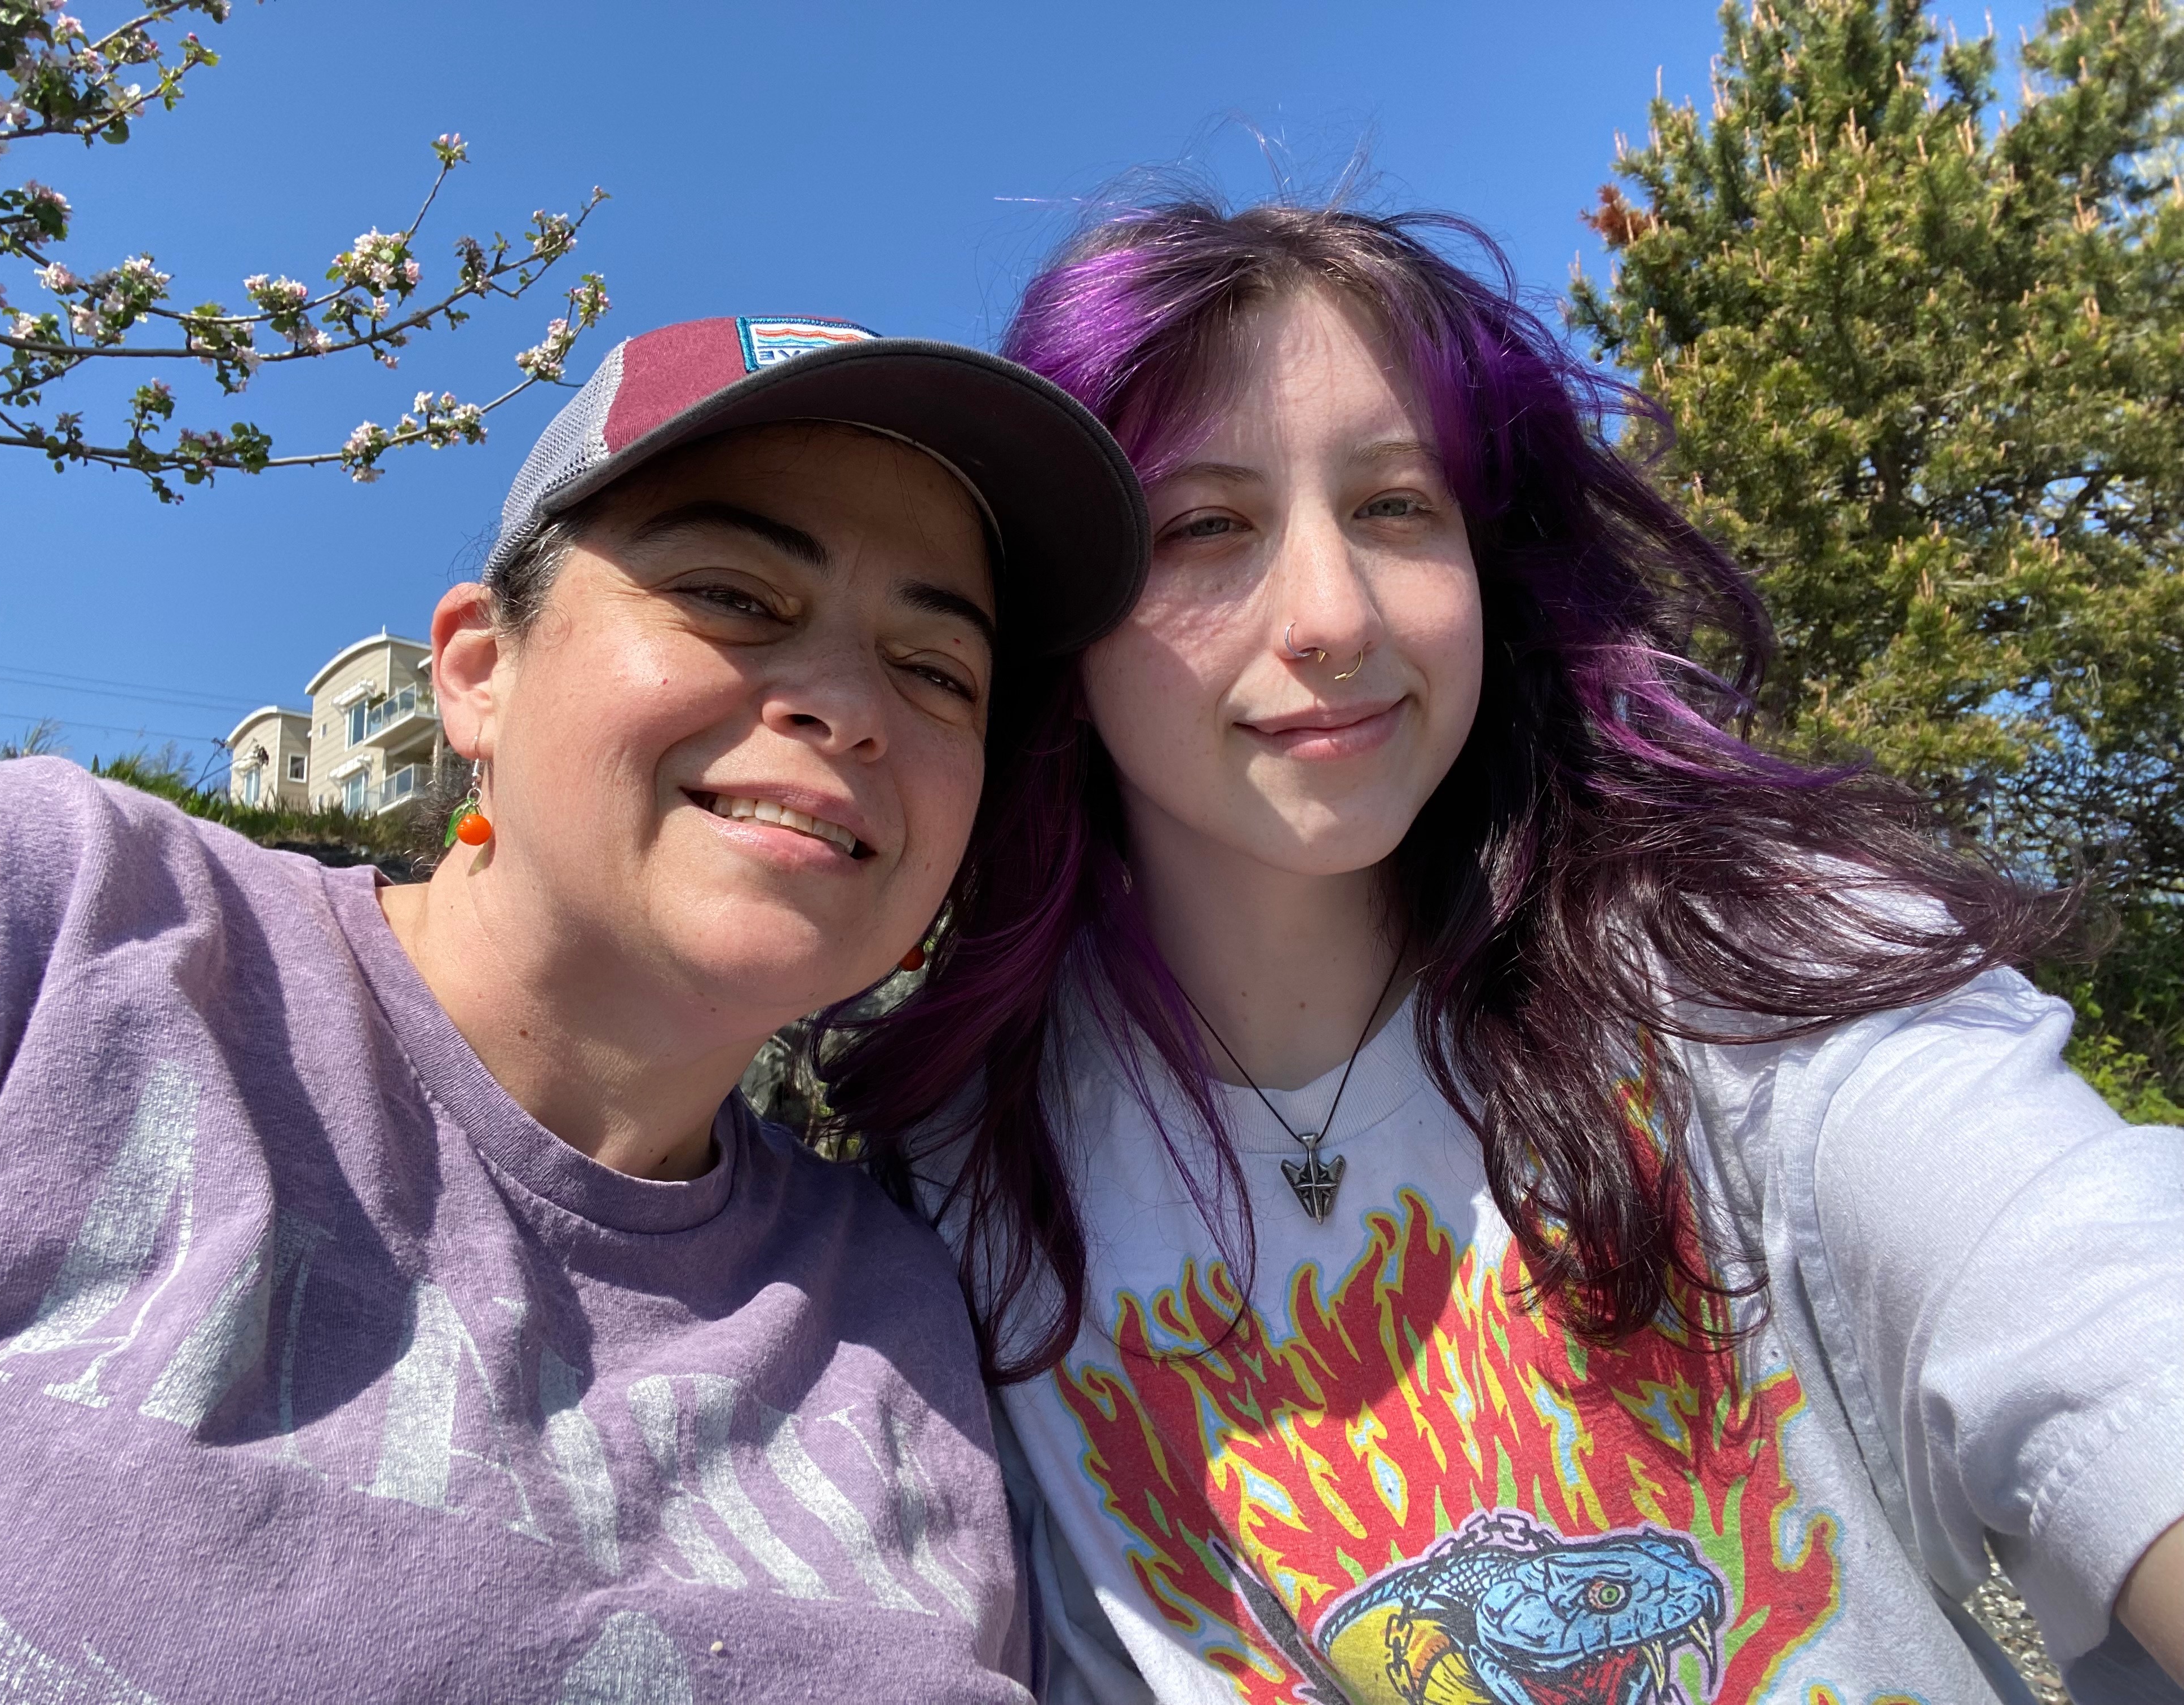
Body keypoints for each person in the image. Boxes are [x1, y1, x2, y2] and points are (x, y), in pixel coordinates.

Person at [821, 205, 2184, 1704]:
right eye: (1204, 526)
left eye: (1396, 506)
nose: (1333, 617)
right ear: (1066, 630)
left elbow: (2094, 1299)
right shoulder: (962, 1187)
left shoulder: (1757, 973)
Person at [0, 313, 1148, 1700]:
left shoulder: (911, 1314)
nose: (853, 706)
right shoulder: (38, 915)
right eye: (736, 594)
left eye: (938, 671)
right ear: (478, 673)